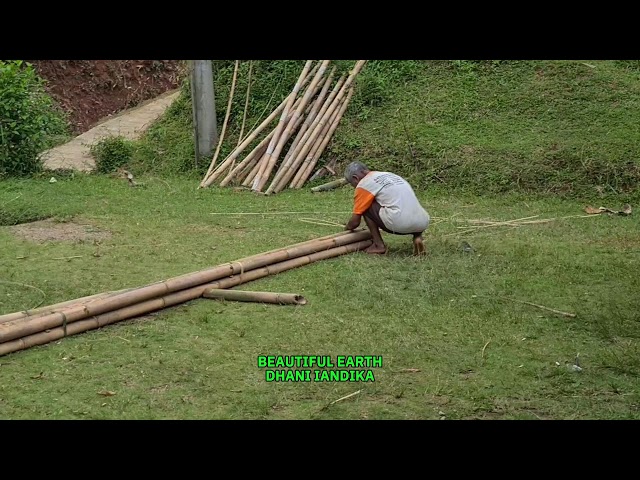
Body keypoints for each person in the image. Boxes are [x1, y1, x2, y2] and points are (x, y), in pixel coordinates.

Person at [343, 161, 430, 255]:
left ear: (355, 178)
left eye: (352, 184)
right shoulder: (389, 175)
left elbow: (355, 223)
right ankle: (418, 238)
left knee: (366, 206)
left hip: (400, 223)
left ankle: (378, 245)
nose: (354, 187)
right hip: (423, 222)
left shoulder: (364, 184)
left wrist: (347, 228)